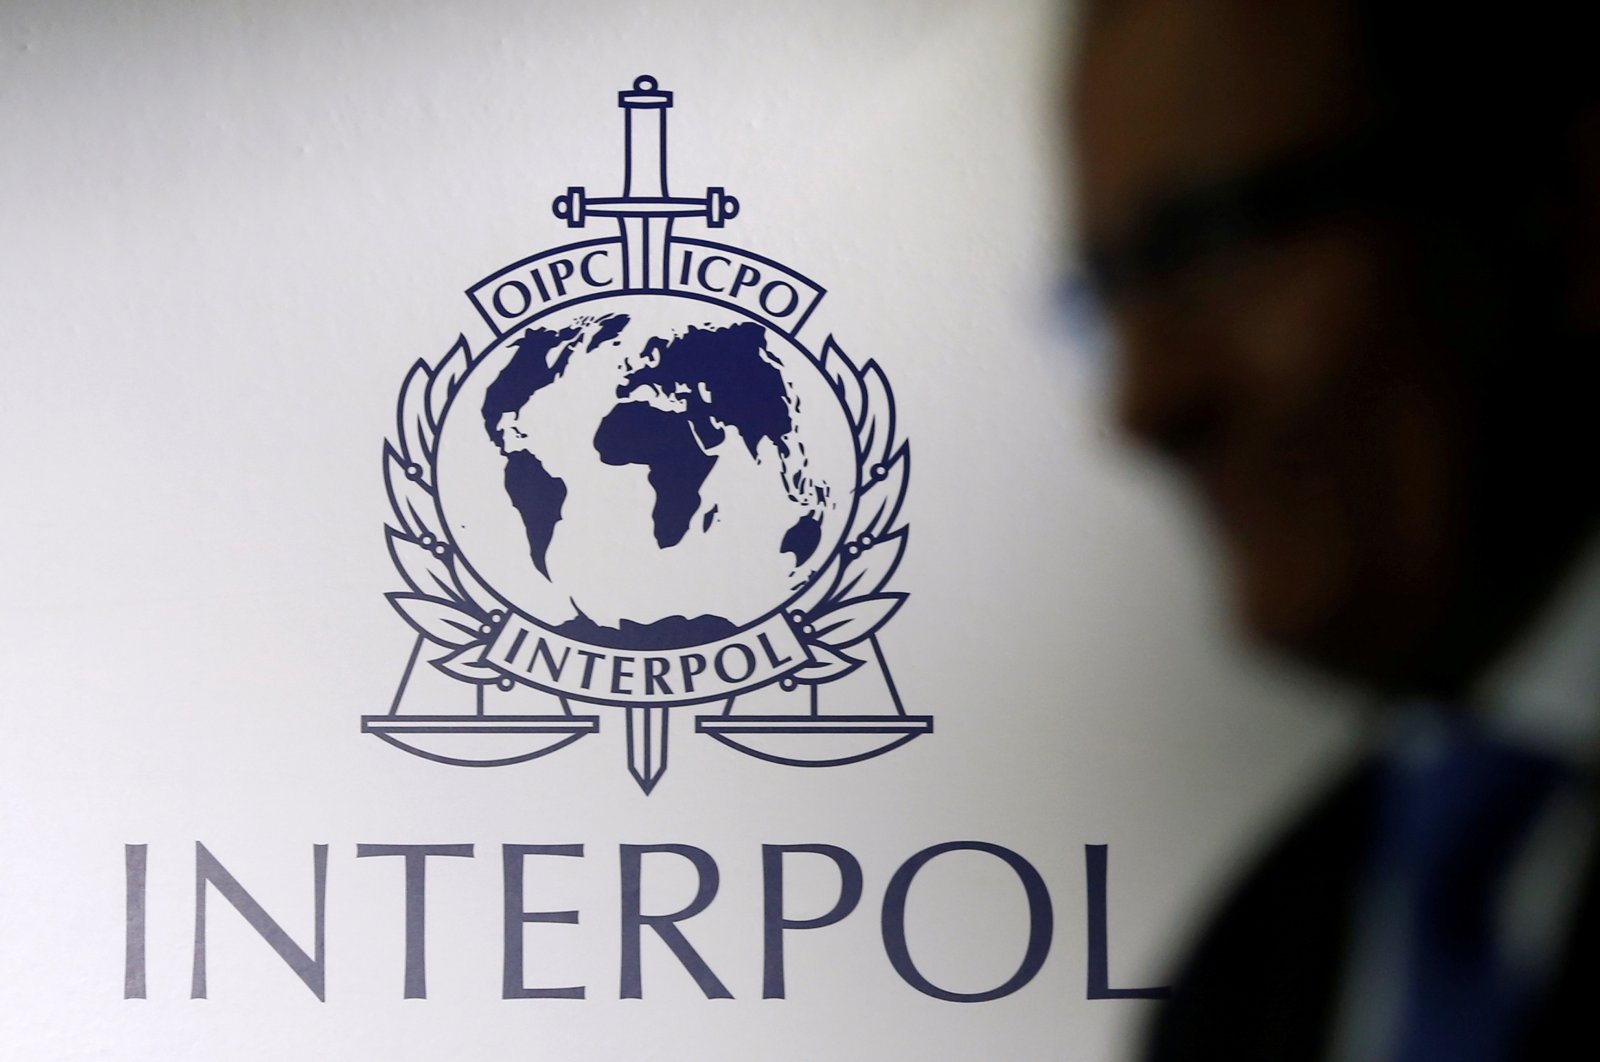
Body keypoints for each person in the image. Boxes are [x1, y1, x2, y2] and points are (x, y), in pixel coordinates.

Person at [1067, 1, 1600, 1058]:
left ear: (1565, 204)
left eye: (1208, 243)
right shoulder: (1236, 988)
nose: (1141, 406)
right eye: (1108, 292)